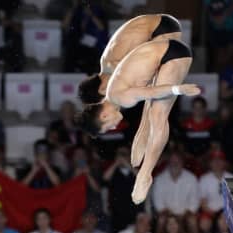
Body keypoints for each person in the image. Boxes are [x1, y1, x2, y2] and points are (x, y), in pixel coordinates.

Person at [76, 38, 200, 204]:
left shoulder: (120, 97)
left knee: (158, 114)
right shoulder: (111, 95)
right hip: (164, 54)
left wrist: (178, 89)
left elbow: (154, 92)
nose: (114, 127)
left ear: (104, 116)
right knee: (149, 105)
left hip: (174, 55)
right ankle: (141, 138)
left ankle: (145, 174)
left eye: (108, 127)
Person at [78, 14, 182, 105]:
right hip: (160, 25)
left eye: (107, 94)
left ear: (102, 89)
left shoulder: (113, 65)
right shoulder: (106, 63)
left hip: (162, 27)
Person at [103, 146, 144, 233]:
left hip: (133, 209)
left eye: (124, 154)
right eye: (119, 154)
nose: (121, 157)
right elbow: (105, 179)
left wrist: (127, 164)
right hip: (117, 210)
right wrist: (116, 163)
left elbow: (141, 177)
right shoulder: (113, 170)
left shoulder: (134, 170)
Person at [62, 0, 108, 73]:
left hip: (94, 40)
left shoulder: (98, 10)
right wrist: (72, 10)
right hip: (78, 40)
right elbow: (65, 26)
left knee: (93, 52)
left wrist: (91, 15)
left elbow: (102, 27)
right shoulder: (76, 10)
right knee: (70, 48)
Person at [152, 150, 200, 217]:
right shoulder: (159, 180)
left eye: (177, 161)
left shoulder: (192, 178)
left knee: (192, 221)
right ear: (168, 163)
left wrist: (185, 215)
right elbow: (158, 203)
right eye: (172, 161)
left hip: (186, 214)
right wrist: (171, 216)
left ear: (182, 162)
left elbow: (194, 202)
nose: (175, 163)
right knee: (161, 220)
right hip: (167, 214)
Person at [199, 150, 233, 214]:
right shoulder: (203, 179)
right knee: (204, 223)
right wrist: (214, 214)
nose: (217, 163)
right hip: (210, 212)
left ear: (224, 163)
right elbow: (202, 202)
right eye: (214, 160)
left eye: (220, 160)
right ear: (210, 163)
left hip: (230, 213)